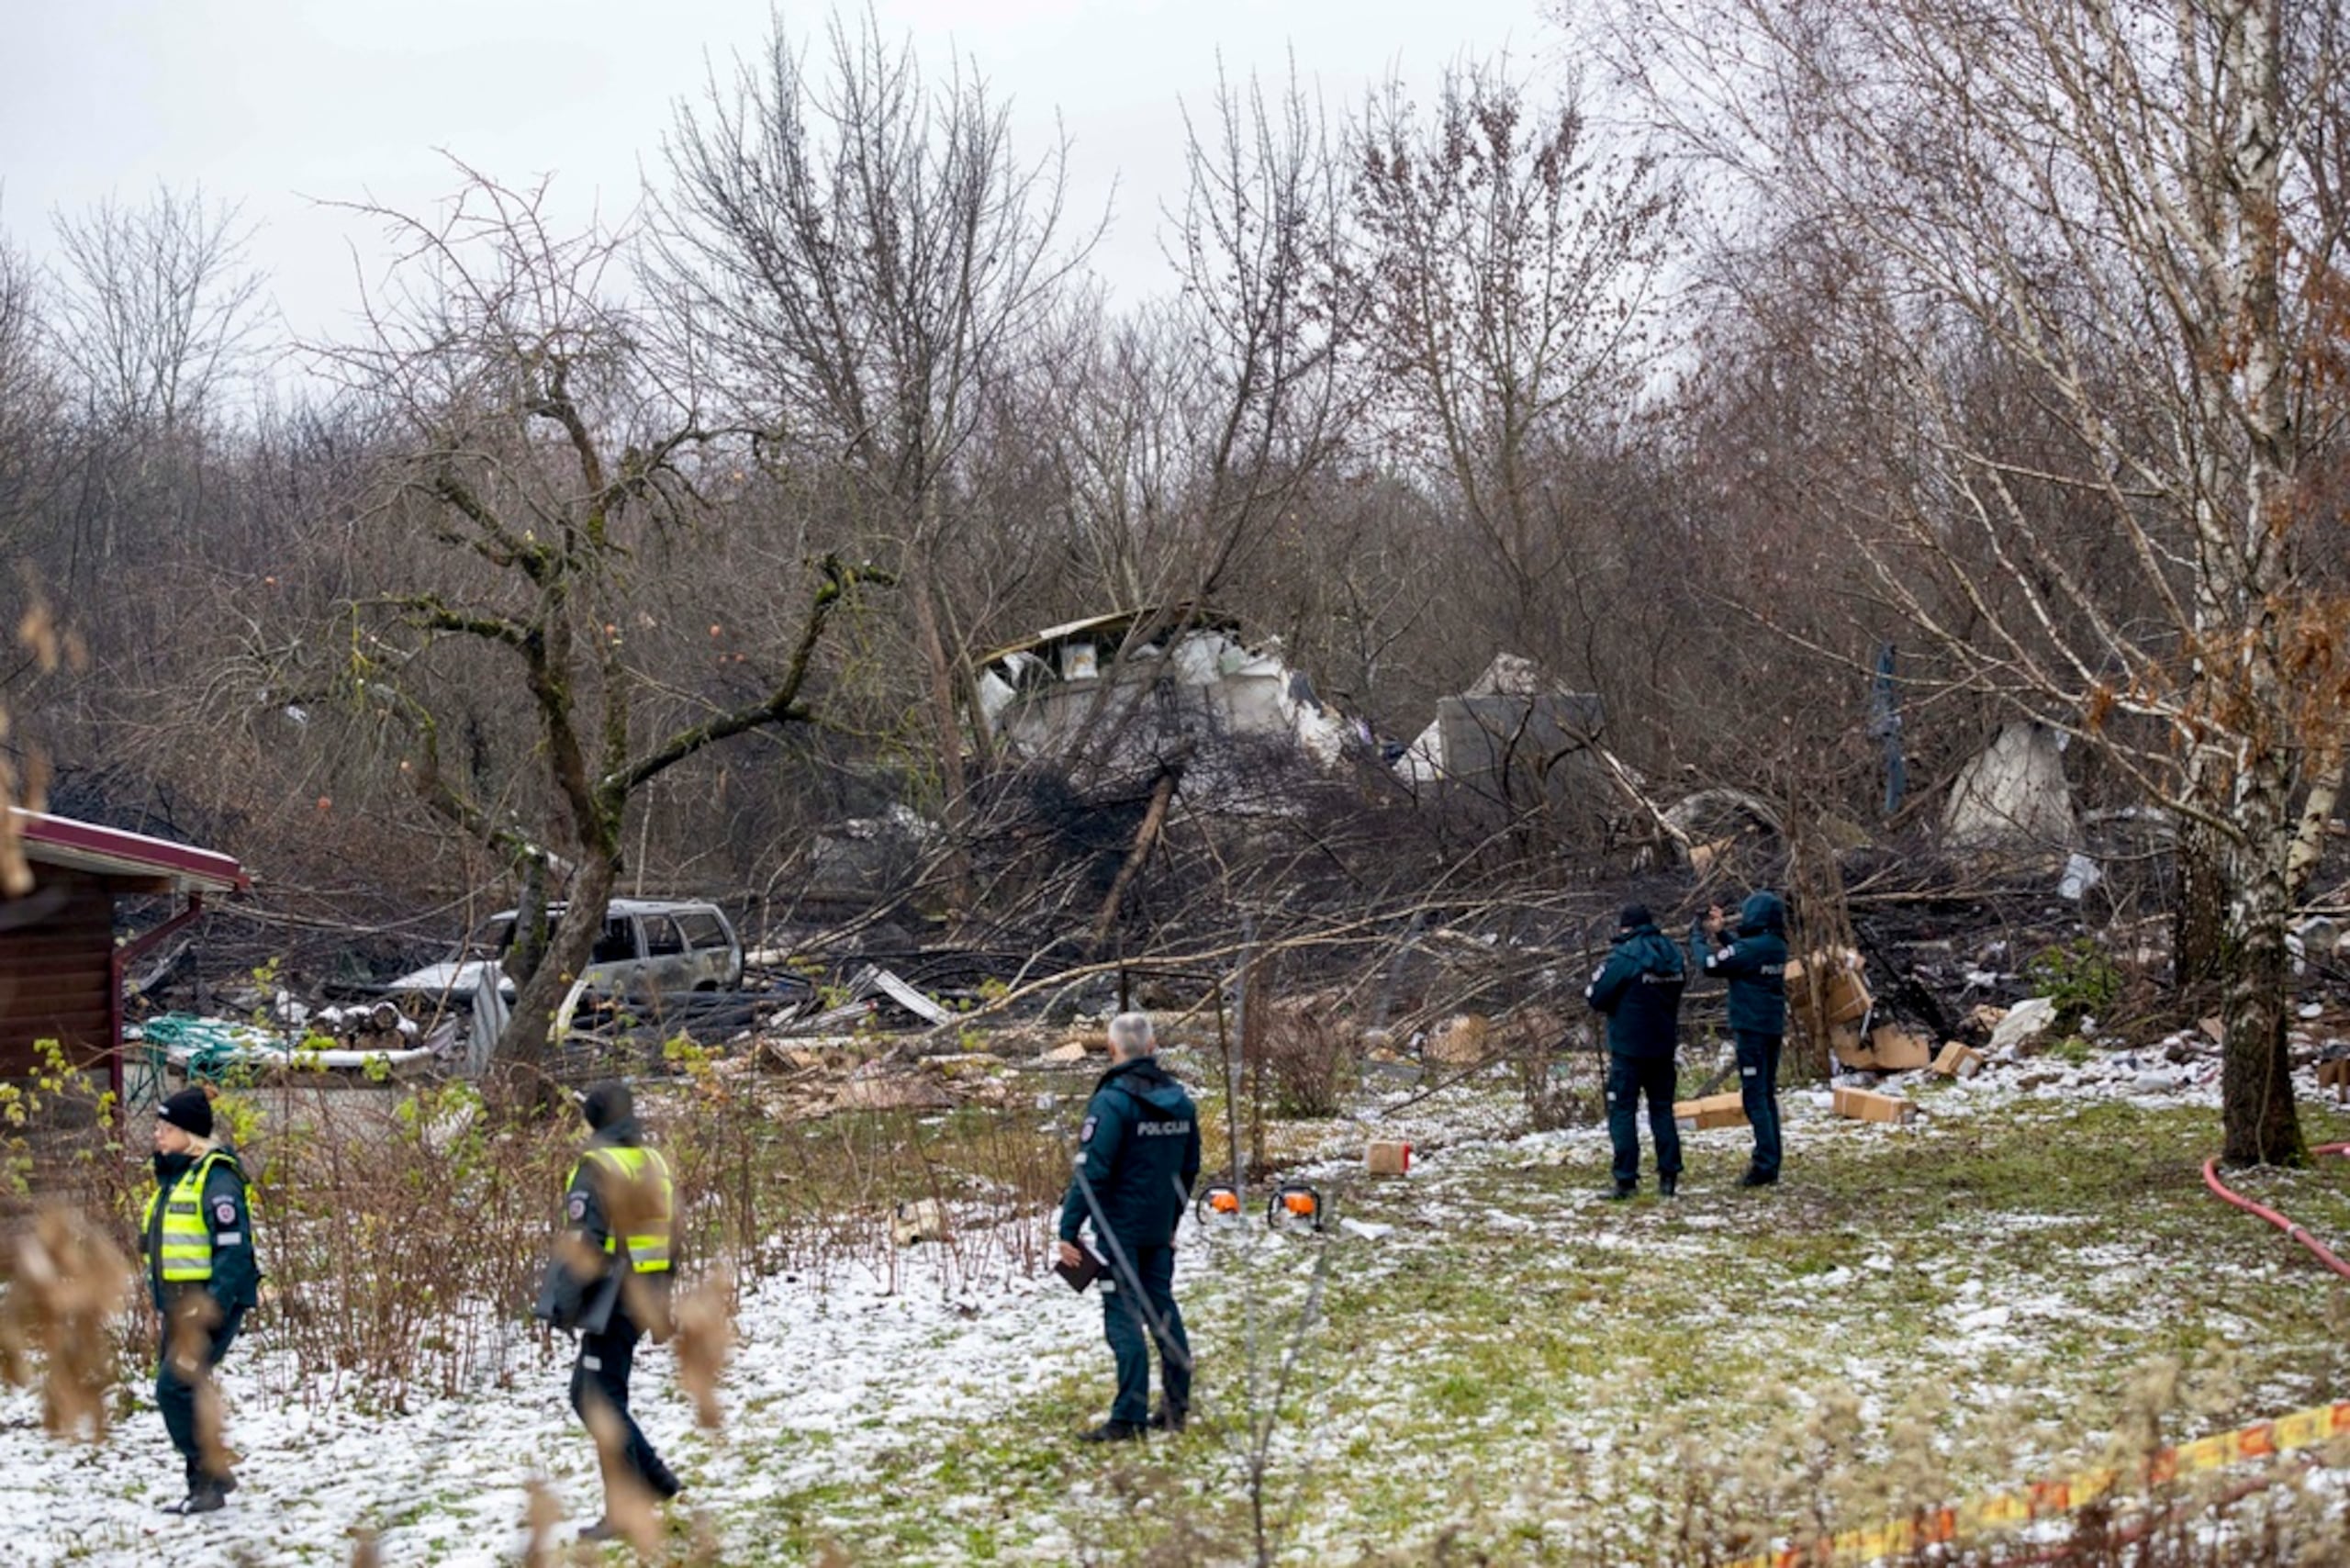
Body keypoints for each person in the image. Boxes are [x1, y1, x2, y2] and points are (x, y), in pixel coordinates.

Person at [535, 1081, 681, 1538]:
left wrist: (561, 1303)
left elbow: (587, 1243)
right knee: (588, 1393)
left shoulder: (597, 1166)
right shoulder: (653, 1161)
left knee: (600, 1400)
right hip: (645, 1294)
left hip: (612, 1298)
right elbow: (673, 1234)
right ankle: (653, 1478)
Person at [1057, 1013, 1201, 1442]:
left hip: (1118, 1229)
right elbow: (1189, 1167)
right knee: (1163, 1312)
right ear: (1153, 1047)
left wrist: (1068, 1229)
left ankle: (1128, 1418)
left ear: (1113, 1048)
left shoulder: (1112, 1103)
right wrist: (1172, 1219)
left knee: (1123, 1319)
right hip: (1158, 1227)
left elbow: (1090, 1172)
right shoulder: (1181, 1101)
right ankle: (1176, 1408)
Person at [140, 1085, 260, 1516]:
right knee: (188, 1390)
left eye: (166, 1128)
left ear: (189, 1133)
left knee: (173, 1388)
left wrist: (212, 1304)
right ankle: (204, 1489)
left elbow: (234, 1252)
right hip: (177, 1302)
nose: (157, 1135)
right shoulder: (175, 1176)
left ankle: (213, 1472)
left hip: (207, 1303)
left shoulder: (217, 1178)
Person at [1585, 902, 1688, 1200]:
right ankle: (1669, 1176)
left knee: (1622, 1111)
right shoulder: (1673, 954)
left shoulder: (1625, 957)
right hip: (1663, 1045)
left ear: (1624, 927)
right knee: (1661, 1110)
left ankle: (1625, 1180)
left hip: (1629, 1049)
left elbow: (1597, 995)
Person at [1693, 891, 1791, 1187]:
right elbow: (1741, 954)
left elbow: (1710, 964)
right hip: (1771, 1026)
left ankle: (1764, 1163)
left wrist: (1698, 938)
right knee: (1766, 1093)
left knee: (1754, 1096)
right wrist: (1722, 934)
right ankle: (1771, 1159)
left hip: (1751, 1027)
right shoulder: (1775, 945)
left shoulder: (1753, 948)